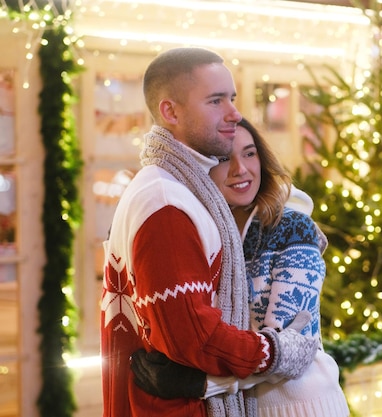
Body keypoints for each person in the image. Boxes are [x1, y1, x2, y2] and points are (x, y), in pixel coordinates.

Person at [100, 47, 318, 417]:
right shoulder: (167, 201)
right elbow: (197, 339)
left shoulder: (176, 194)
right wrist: (275, 352)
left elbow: (296, 340)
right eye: (216, 101)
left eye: (231, 98)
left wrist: (201, 381)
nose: (234, 113)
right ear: (170, 111)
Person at [130, 118, 350, 416]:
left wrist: (201, 383)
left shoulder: (293, 229)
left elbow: (290, 350)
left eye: (249, 153)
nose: (241, 169)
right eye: (224, 159)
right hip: (244, 407)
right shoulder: (206, 233)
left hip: (299, 404)